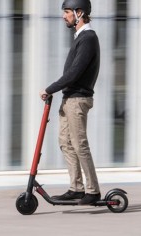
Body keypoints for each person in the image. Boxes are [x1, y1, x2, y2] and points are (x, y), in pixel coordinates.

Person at [39, 0, 101, 205]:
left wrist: (50, 89)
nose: (64, 16)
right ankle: (76, 188)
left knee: (79, 144)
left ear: (79, 13)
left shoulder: (88, 38)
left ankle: (93, 191)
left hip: (78, 99)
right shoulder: (79, 37)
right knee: (65, 143)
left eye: (67, 12)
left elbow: (74, 73)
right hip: (69, 98)